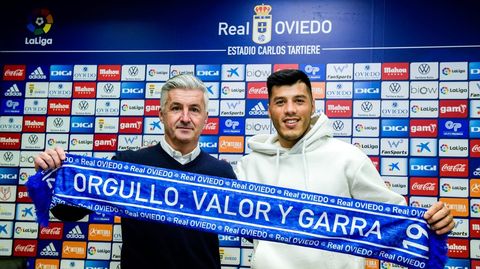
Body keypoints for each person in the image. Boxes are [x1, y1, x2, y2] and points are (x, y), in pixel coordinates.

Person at [234, 69, 454, 269]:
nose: (290, 110)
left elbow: (395, 220)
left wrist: (434, 223)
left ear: (312, 105)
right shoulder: (249, 165)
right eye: (280, 102)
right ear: (269, 109)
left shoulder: (348, 158)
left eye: (299, 101)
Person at [34, 74, 237, 269]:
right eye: (176, 108)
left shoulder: (221, 172)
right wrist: (49, 177)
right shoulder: (128, 164)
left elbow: (259, 226)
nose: (185, 117)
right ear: (161, 114)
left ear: (205, 118)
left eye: (194, 109)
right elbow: (68, 210)